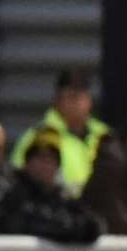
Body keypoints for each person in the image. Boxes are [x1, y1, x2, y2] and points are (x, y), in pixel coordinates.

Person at [12, 68, 110, 196]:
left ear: (89, 101)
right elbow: (19, 179)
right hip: (55, 209)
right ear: (56, 100)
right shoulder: (37, 137)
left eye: (81, 97)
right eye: (71, 97)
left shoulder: (105, 136)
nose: (77, 103)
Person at [0, 129, 101, 244]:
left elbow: (93, 226)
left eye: (52, 159)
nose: (46, 165)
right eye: (40, 157)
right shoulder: (13, 192)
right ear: (27, 162)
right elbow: (25, 223)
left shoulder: (63, 196)